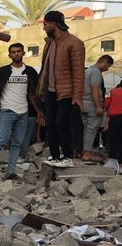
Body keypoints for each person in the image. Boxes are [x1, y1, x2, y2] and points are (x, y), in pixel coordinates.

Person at [0, 43, 41, 180]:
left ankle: (10, 171)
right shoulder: (2, 72)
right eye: (13, 52)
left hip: (23, 112)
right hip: (7, 111)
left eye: (19, 51)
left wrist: (39, 112)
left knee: (17, 142)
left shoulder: (30, 72)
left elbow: (33, 93)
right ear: (9, 55)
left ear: (23, 53)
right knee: (1, 140)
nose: (16, 54)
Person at [36, 10, 86, 168]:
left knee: (61, 125)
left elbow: (79, 73)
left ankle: (68, 156)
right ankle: (55, 156)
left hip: (66, 93)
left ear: (53, 24)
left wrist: (77, 96)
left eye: (45, 25)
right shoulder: (50, 43)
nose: (44, 28)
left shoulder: (74, 43)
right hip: (51, 92)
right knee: (50, 126)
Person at [81, 56, 113, 162]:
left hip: (84, 103)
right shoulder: (96, 73)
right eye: (108, 66)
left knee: (86, 129)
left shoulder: (86, 72)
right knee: (91, 130)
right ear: (104, 62)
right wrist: (98, 106)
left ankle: (85, 150)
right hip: (92, 105)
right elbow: (94, 88)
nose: (107, 69)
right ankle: (87, 154)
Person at [105, 81, 122, 172]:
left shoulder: (113, 91)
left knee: (114, 139)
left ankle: (113, 161)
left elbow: (106, 104)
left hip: (115, 118)